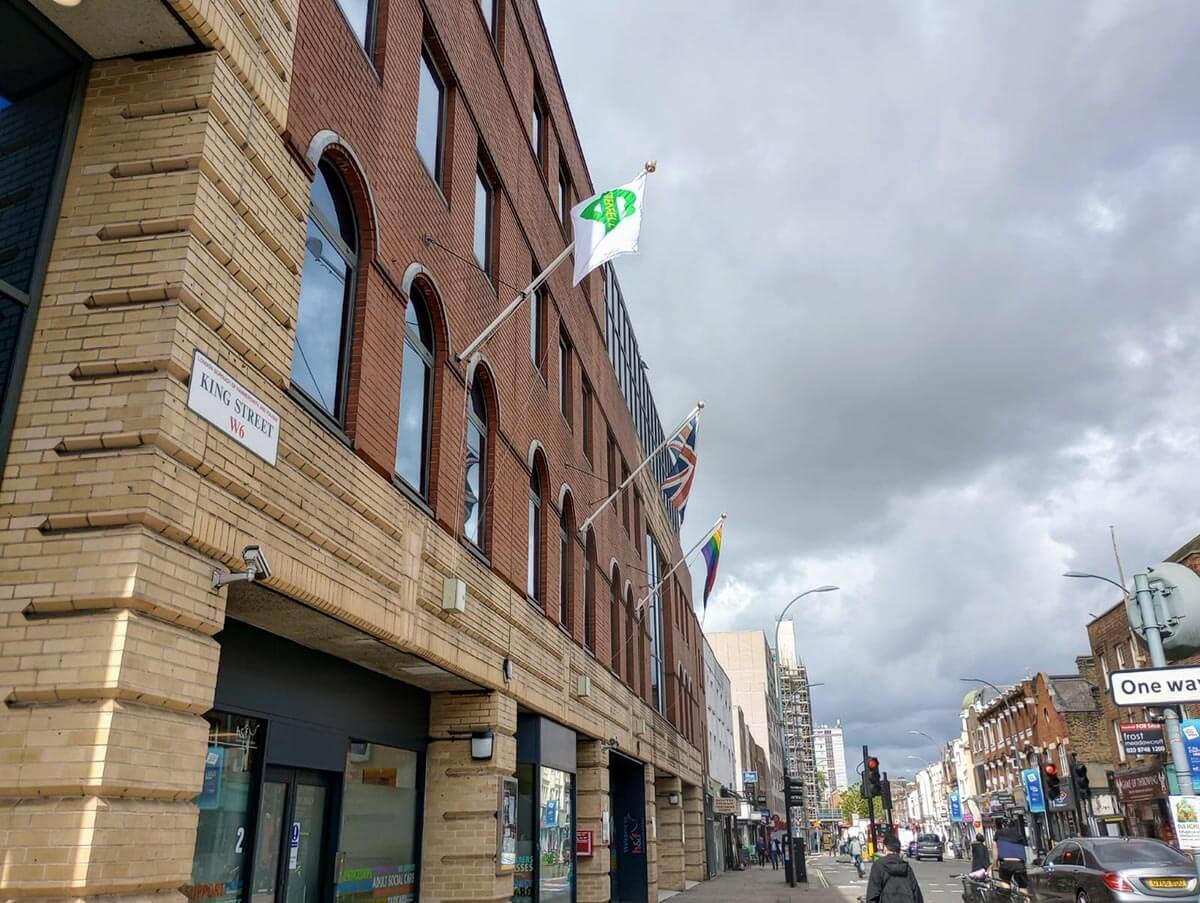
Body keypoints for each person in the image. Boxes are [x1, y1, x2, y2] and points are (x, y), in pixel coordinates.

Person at [866, 834, 925, 903]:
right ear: (898, 850)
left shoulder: (879, 866)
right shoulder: (906, 867)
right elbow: (917, 894)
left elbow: (873, 893)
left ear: (885, 848)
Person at [993, 820, 1029, 889]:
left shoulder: (999, 833)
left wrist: (995, 865)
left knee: (1005, 882)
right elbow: (1023, 850)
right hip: (1020, 863)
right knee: (1023, 887)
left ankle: (1006, 897)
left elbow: (995, 852)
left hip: (1006, 863)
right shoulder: (1019, 834)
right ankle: (1026, 899)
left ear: (1004, 825)